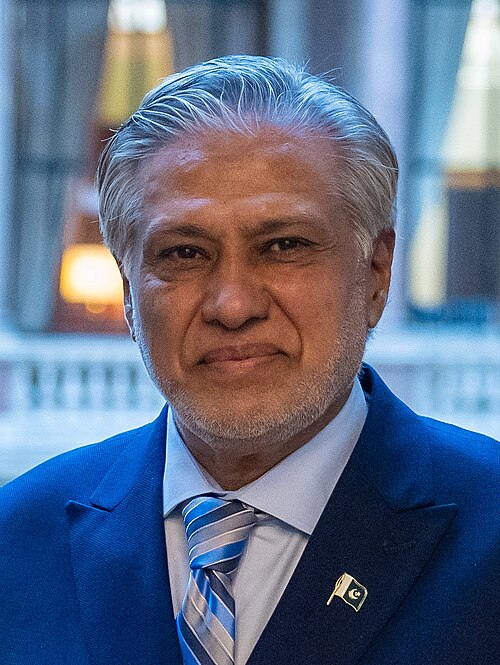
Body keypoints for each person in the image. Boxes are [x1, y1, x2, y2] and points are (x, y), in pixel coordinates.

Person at [0, 55, 498, 665]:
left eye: (283, 246)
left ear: (374, 273)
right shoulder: (18, 541)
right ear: (129, 294)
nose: (232, 306)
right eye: (184, 253)